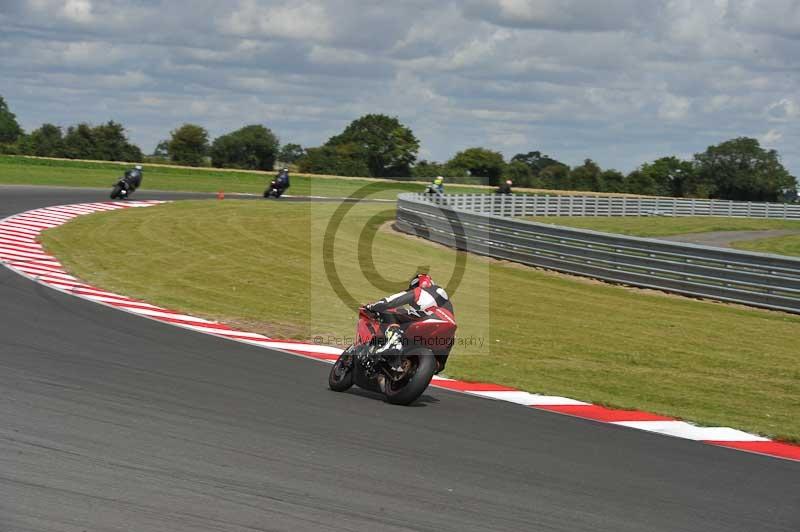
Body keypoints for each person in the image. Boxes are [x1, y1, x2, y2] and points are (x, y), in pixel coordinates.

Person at [365, 273, 455, 374]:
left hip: (426, 319)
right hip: (447, 331)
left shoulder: (419, 291)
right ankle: (437, 363)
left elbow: (391, 301)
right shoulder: (445, 300)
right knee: (449, 342)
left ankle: (394, 341)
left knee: (389, 310)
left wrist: (373, 306)